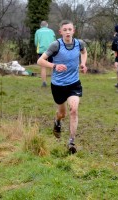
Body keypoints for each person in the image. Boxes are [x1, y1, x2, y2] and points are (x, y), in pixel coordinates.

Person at [37, 20, 88, 154]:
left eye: (70, 29)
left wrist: (83, 63)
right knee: (62, 114)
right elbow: (40, 60)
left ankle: (71, 142)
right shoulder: (56, 45)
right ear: (60, 32)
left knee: (74, 110)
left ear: (73, 31)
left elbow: (84, 52)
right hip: (58, 85)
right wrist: (54, 66)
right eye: (65, 30)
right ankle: (57, 121)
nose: (67, 32)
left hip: (74, 83)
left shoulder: (79, 43)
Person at [35, 21, 56, 87]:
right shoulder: (51, 31)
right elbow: (55, 40)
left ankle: (44, 82)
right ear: (47, 25)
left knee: (43, 66)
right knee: (52, 66)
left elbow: (36, 42)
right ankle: (54, 82)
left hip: (41, 51)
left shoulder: (38, 31)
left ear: (41, 26)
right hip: (51, 50)